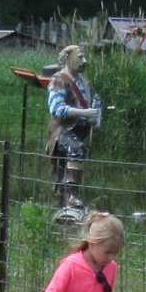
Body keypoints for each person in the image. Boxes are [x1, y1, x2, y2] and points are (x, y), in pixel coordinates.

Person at [43, 44, 101, 211]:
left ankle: (63, 197)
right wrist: (84, 113)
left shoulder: (85, 81)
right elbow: (57, 109)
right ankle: (71, 196)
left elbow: (97, 100)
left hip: (82, 130)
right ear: (68, 58)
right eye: (79, 57)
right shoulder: (59, 80)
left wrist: (96, 118)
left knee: (68, 163)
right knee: (75, 149)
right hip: (64, 130)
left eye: (84, 57)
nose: (84, 61)